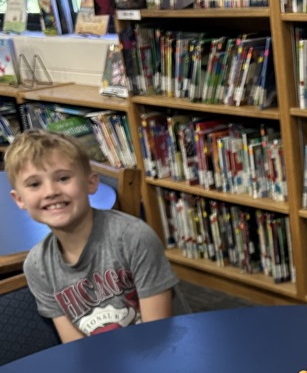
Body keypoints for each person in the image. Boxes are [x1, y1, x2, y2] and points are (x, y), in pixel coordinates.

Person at [7, 129, 178, 342]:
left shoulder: (133, 237)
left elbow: (158, 334)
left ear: (91, 183)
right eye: (34, 184)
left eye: (63, 178)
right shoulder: (37, 266)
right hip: (99, 363)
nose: (50, 191)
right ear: (19, 199)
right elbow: (74, 346)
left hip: (161, 352)